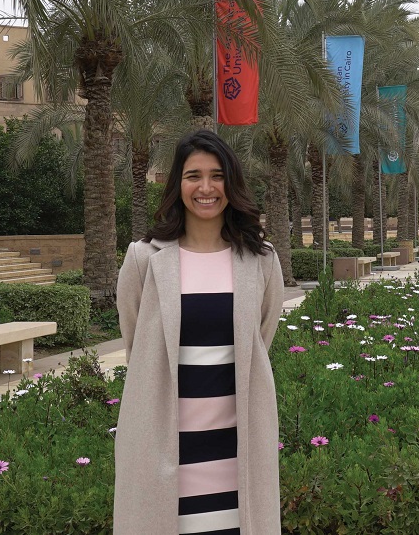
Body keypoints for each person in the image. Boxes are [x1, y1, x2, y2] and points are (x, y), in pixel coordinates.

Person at [114, 129, 285, 535]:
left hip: (236, 442)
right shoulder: (144, 259)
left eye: (217, 175)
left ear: (232, 183)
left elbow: (261, 336)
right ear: (177, 184)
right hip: (165, 440)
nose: (205, 187)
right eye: (193, 175)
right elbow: (136, 340)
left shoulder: (261, 259)